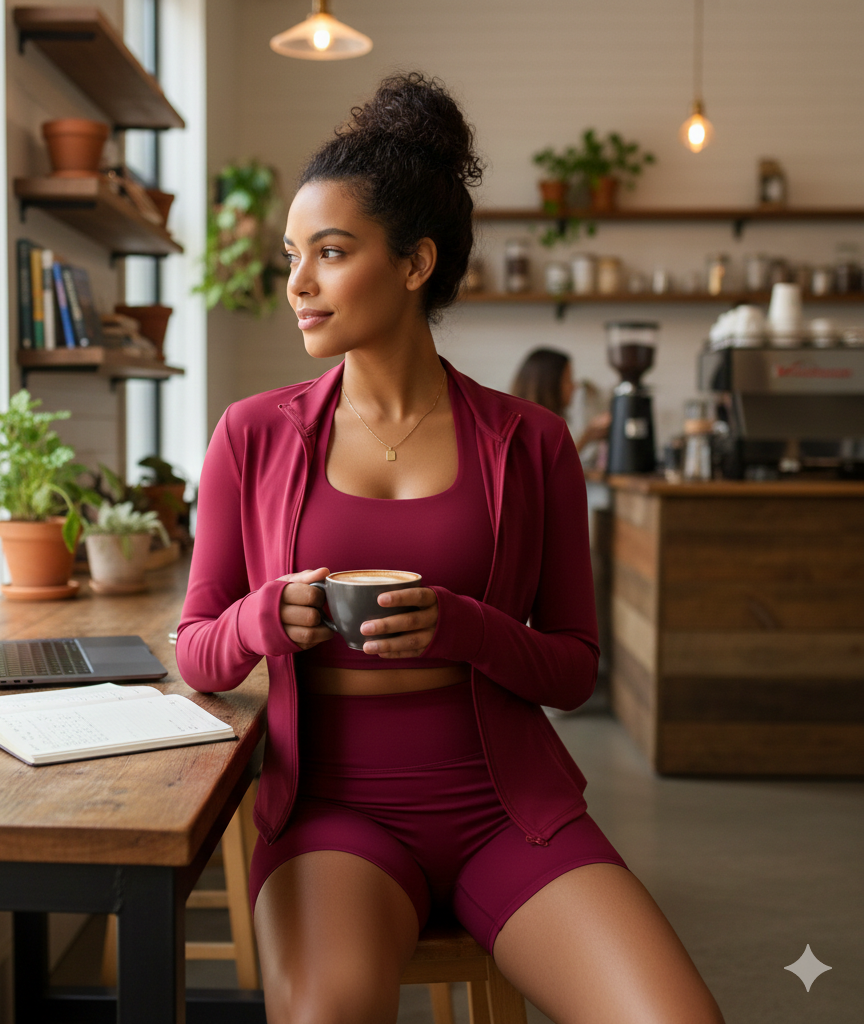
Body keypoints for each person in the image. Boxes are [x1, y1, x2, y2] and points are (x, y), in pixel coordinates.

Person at [176, 73, 724, 1024]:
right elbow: (196, 649)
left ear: (416, 261)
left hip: (505, 807)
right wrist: (268, 616)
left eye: (332, 253)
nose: (298, 284)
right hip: (329, 813)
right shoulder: (250, 435)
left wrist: (465, 628)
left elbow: (571, 671)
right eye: (292, 256)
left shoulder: (531, 442)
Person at [511, 346, 611, 452]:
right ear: (549, 386)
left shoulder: (551, 425)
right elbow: (549, 466)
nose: (574, 386)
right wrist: (587, 437)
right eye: (568, 380)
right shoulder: (526, 429)